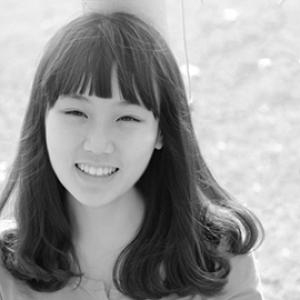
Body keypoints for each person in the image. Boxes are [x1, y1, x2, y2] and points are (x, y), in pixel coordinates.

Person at [0, 3, 264, 300]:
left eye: (127, 118)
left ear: (161, 131)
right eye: (76, 112)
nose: (98, 144)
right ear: (41, 119)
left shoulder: (218, 266)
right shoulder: (6, 272)